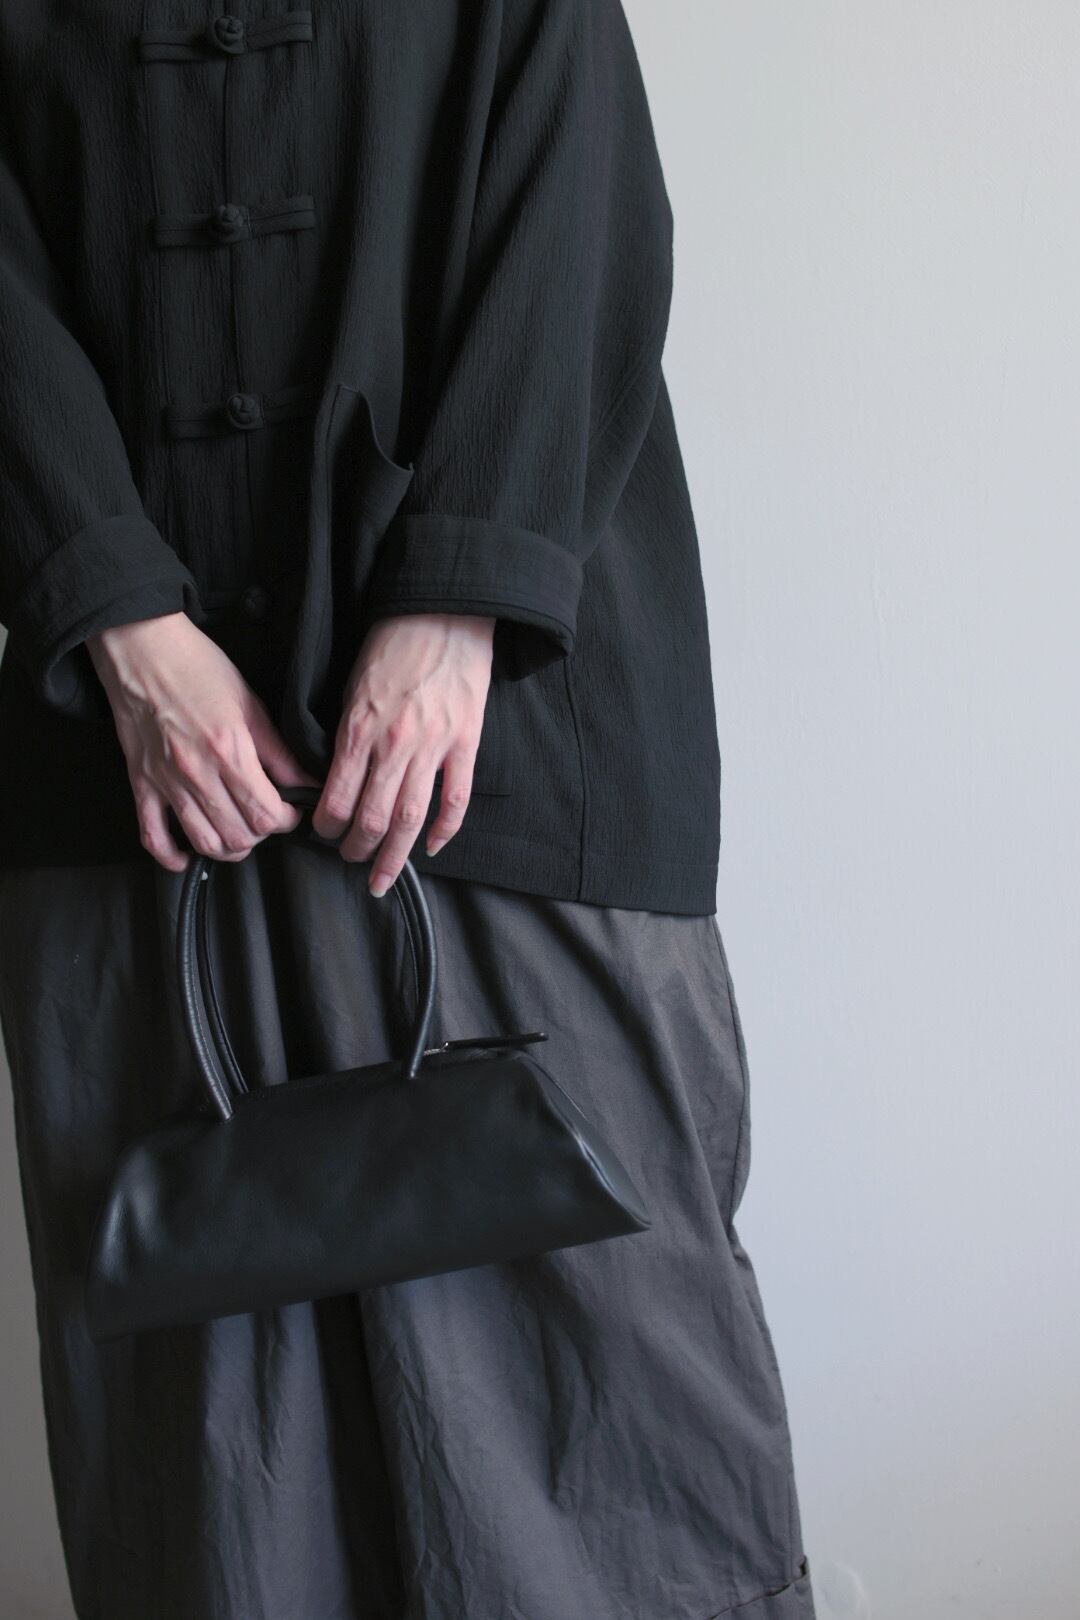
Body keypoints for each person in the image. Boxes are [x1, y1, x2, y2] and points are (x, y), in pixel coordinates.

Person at [0, 2, 816, 1616]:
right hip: (136, 772)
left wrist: (461, 599)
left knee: (611, 1421)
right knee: (217, 1475)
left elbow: (578, 204)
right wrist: (117, 617)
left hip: (503, 753)